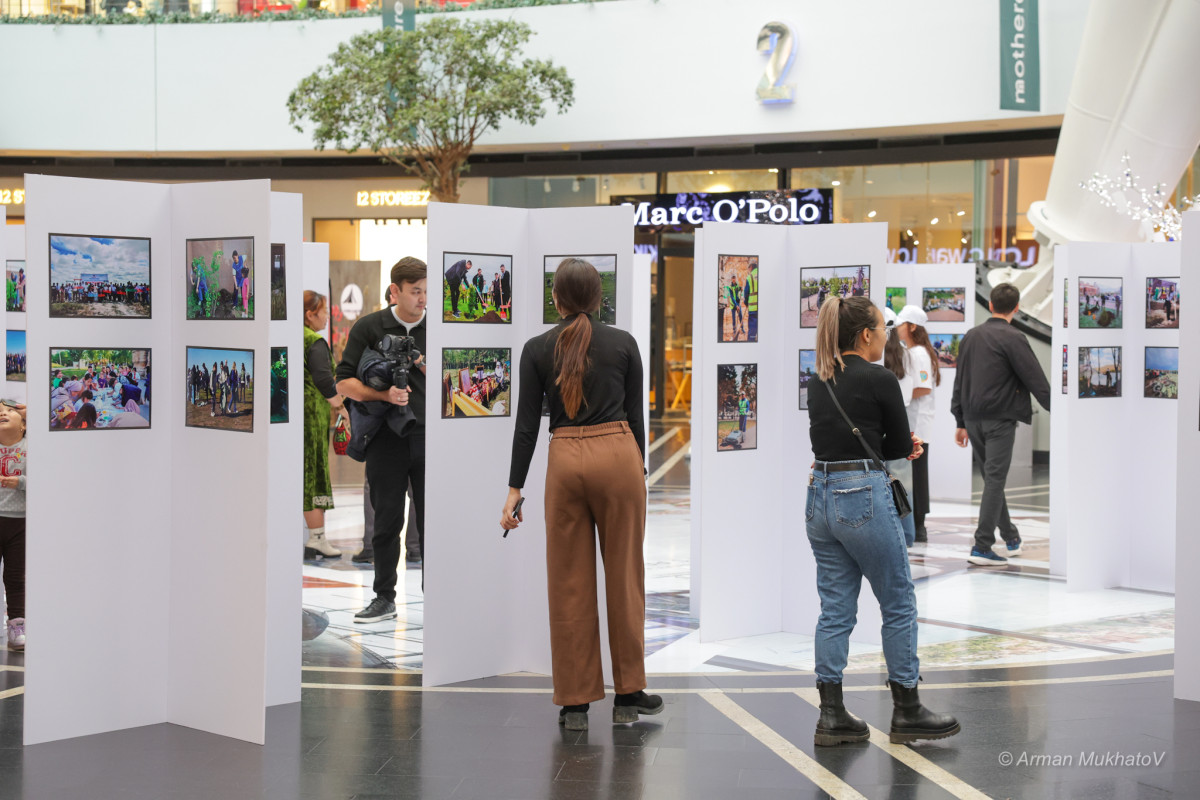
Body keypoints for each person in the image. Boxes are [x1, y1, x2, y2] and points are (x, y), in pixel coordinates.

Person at [502, 257, 659, 732]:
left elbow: (527, 425)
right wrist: (639, 468)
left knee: (568, 581)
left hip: (565, 458)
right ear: (598, 297)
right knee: (625, 576)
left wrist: (514, 488)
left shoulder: (535, 348)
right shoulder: (625, 343)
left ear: (556, 298)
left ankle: (574, 704)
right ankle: (628, 693)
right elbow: (635, 417)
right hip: (618, 453)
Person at [805, 295, 958, 747]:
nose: (887, 337)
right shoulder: (880, 378)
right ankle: (907, 710)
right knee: (898, 601)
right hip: (863, 497)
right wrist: (908, 443)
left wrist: (890, 441)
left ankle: (831, 716)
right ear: (867, 335)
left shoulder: (820, 378)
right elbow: (892, 445)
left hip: (820, 496)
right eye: (883, 330)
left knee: (835, 609)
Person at [336, 257, 427, 623]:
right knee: (387, 521)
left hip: (430, 439)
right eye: (415, 291)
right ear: (395, 291)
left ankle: (439, 595)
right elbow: (343, 382)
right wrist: (384, 396)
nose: (422, 299)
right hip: (385, 438)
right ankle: (383, 597)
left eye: (425, 291)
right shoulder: (370, 327)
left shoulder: (441, 327)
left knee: (434, 520)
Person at [951, 283, 1051, 566]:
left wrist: (960, 420)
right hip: (999, 421)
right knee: (994, 480)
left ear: (991, 305)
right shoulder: (1014, 338)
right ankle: (982, 546)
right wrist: (1060, 410)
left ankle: (1010, 536)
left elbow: (961, 380)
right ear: (1017, 308)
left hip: (973, 419)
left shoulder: (971, 336)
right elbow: (1036, 379)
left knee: (992, 480)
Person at [302, 291, 345, 560]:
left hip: (294, 416)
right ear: (310, 315)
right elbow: (324, 380)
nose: (327, 317)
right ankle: (317, 538)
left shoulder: (289, 336)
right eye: (323, 312)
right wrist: (340, 406)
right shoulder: (315, 342)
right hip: (312, 417)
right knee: (314, 471)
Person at [895, 305, 938, 543]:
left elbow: (924, 387)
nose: (898, 330)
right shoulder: (914, 351)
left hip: (917, 423)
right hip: (916, 422)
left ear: (912, 327)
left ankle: (919, 525)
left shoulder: (919, 353)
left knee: (918, 475)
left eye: (901, 325)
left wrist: (899, 396)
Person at [0, 401, 25, 652]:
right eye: (0, 411)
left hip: (21, 521)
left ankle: (17, 625)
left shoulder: (31, 447)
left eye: (10, 411)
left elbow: (45, 475)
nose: (3, 413)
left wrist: (20, 481)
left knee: (16, 578)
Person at [744, 260, 758, 341]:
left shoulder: (749, 277)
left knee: (752, 333)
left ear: (751, 267)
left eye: (748, 268)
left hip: (753, 309)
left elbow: (746, 293)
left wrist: (746, 302)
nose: (748, 270)